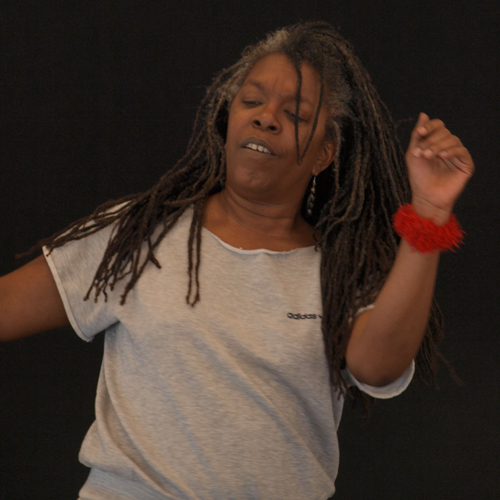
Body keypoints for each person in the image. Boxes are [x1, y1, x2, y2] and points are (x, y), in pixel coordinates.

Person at [0, 21, 473, 500]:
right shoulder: (138, 232)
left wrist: (430, 213)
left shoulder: (340, 271)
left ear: (324, 154)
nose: (266, 118)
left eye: (295, 114)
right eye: (251, 101)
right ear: (228, 120)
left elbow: (378, 367)